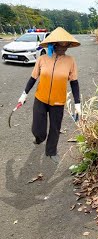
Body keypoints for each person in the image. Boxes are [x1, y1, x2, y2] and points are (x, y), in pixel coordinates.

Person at [17, 27, 82, 164]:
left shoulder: (70, 61)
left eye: (66, 45)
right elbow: (33, 78)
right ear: (54, 44)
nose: (63, 49)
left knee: (55, 128)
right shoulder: (42, 59)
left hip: (58, 101)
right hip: (40, 98)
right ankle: (39, 138)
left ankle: (51, 151)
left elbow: (74, 83)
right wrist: (24, 95)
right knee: (38, 128)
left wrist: (78, 104)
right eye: (61, 45)